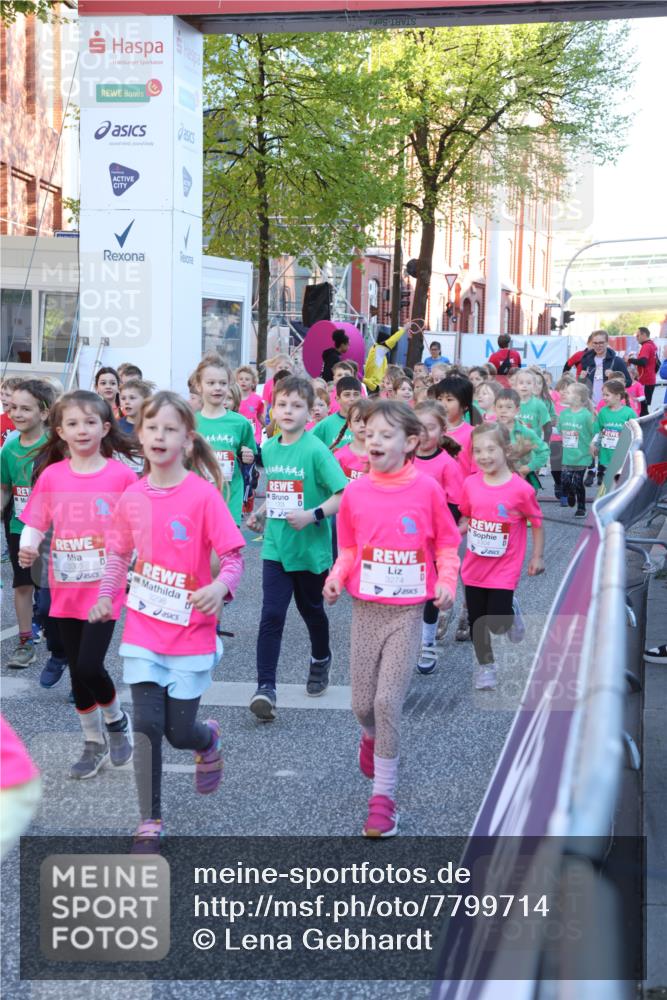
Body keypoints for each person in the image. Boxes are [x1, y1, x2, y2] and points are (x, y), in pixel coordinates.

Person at [88, 391, 245, 850]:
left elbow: (233, 556)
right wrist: (104, 598)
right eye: (152, 427)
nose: (160, 435)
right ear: (140, 435)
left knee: (179, 732)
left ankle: (206, 739)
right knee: (147, 727)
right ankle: (150, 819)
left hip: (191, 633)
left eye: (170, 428)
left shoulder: (202, 496)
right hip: (142, 630)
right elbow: (117, 555)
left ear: (188, 440)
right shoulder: (132, 496)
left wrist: (219, 588)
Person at [323, 400, 460, 837]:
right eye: (370, 433)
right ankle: (369, 738)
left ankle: (383, 800)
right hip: (366, 609)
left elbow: (447, 545)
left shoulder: (426, 490)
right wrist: (335, 577)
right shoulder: (357, 491)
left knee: (386, 703)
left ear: (411, 443)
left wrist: (447, 583)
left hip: (406, 611)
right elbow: (348, 548)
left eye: (386, 434)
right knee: (362, 705)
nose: (374, 441)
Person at [18, 391, 137, 779]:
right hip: (63, 586)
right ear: (60, 431)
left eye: (90, 422)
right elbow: (35, 519)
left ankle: (117, 722)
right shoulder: (53, 475)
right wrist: (28, 547)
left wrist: (136, 564)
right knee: (76, 672)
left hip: (105, 588)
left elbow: (138, 525)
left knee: (89, 664)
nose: (81, 430)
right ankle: (93, 742)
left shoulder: (121, 476)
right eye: (72, 423)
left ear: (105, 428)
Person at [246, 376, 348, 719]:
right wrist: (261, 513)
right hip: (276, 547)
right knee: (271, 615)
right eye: (282, 404)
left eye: (297, 406)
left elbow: (342, 494)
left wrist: (311, 515)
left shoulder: (316, 449)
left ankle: (321, 657)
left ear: (310, 413)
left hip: (310, 548)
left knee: (311, 611)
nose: (288, 411)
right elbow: (278, 489)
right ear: (272, 410)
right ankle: (265, 688)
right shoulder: (270, 448)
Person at [459, 423, 544, 691]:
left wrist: (537, 557)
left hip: (504, 568)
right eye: (478, 450)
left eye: (490, 449)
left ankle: (511, 611)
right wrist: (447, 536)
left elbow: (538, 522)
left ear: (506, 450)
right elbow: (467, 517)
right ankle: (486, 667)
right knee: (477, 622)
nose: (484, 456)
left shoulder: (520, 490)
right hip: (473, 566)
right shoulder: (470, 483)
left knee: (496, 623)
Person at [1, 380, 54, 668]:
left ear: (44, 413)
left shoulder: (57, 448)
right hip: (19, 528)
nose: (17, 414)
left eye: (25, 408)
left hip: (54, 532)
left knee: (48, 593)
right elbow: (4, 488)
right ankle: (25, 642)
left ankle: (59, 640)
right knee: (22, 586)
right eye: (12, 408)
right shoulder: (8, 450)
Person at [413, 399, 464, 673]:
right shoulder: (403, 458)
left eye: (430, 428)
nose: (424, 433)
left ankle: (427, 642)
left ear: (442, 430)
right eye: (418, 427)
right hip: (405, 540)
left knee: (431, 595)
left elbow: (455, 505)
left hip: (433, 542)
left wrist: (442, 534)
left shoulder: (447, 465)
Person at [193, 355, 257, 527]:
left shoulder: (240, 423)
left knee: (226, 552)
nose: (217, 388)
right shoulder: (190, 422)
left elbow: (250, 455)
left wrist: (249, 457)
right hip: (198, 499)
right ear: (199, 386)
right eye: (211, 383)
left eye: (222, 383)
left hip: (230, 498)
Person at [494, 389, 549, 489]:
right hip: (497, 479)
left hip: (521, 480)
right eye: (500, 406)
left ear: (517, 410)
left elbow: (544, 451)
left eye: (509, 407)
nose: (503, 410)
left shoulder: (525, 432)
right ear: (495, 409)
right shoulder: (490, 431)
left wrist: (529, 467)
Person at [556, 382, 595, 517]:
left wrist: (594, 446)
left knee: (578, 482)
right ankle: (571, 492)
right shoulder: (563, 414)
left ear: (578, 398)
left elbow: (594, 433)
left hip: (582, 455)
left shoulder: (586, 415)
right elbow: (560, 431)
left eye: (569, 392)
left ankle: (581, 508)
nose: (565, 394)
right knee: (565, 481)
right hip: (567, 456)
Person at [591, 380, 636, 485]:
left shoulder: (629, 413)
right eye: (603, 395)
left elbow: (636, 433)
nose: (604, 398)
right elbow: (598, 430)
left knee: (620, 485)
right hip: (606, 455)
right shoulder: (603, 412)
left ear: (618, 396)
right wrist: (594, 444)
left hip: (622, 457)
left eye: (607, 395)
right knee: (607, 485)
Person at [579, 330, 631, 406]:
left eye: (601, 343)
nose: (598, 346)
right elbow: (582, 385)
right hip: (590, 405)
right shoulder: (586, 360)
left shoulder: (617, 361)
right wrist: (581, 379)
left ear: (607, 343)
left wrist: (614, 378)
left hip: (610, 405)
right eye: (595, 343)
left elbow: (628, 382)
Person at [312, 376, 362, 451]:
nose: (352, 399)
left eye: (356, 394)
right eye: (347, 395)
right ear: (337, 399)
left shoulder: (367, 423)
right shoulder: (325, 424)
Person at [333, 399, 369, 481]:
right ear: (349, 425)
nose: (363, 425)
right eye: (357, 421)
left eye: (367, 420)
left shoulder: (382, 456)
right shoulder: (339, 457)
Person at [363, 328, 407, 393]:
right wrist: (404, 329)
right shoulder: (378, 350)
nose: (391, 347)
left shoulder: (378, 354)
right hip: (374, 388)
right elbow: (392, 341)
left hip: (376, 386)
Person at [626, 326, 658, 416]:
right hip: (650, 379)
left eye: (638, 335)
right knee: (644, 406)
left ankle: (645, 428)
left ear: (644, 335)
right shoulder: (652, 345)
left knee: (642, 407)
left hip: (645, 381)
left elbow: (643, 362)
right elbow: (656, 364)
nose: (636, 338)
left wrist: (629, 360)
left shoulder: (646, 346)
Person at [235, 366, 265, 445]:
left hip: (254, 436)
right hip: (238, 434)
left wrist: (267, 426)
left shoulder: (257, 399)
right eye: (241, 379)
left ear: (253, 383)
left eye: (247, 379)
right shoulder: (233, 399)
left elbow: (259, 415)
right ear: (236, 381)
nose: (243, 381)